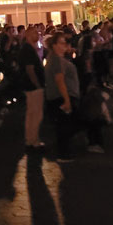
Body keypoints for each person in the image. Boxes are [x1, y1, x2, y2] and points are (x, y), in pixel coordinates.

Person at [44, 32, 86, 162]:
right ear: (55, 45)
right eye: (62, 43)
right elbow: (59, 80)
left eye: (66, 43)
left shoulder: (57, 58)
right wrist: (67, 99)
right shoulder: (56, 60)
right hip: (61, 97)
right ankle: (63, 153)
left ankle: (63, 151)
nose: (65, 45)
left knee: (66, 125)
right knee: (68, 125)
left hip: (61, 96)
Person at [17, 26, 45, 151]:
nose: (38, 35)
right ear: (28, 36)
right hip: (33, 86)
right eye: (35, 33)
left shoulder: (28, 49)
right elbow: (30, 69)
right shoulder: (28, 49)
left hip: (30, 85)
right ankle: (34, 140)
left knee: (31, 114)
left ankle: (31, 139)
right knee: (36, 114)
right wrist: (38, 84)